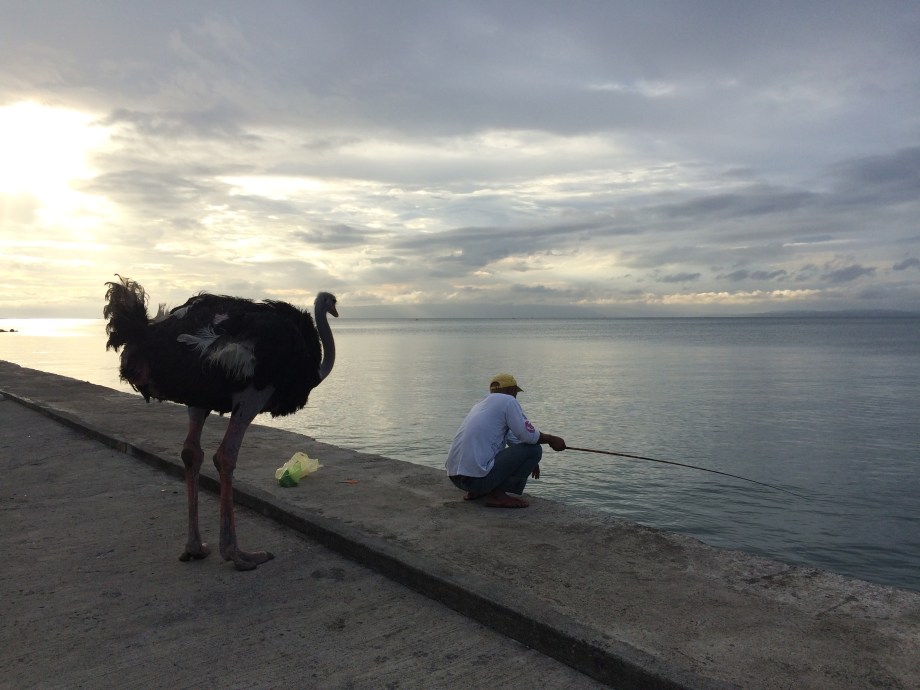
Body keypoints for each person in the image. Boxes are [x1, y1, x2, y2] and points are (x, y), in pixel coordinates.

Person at [445, 373, 566, 508]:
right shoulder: (508, 401)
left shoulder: (481, 404)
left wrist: (529, 461)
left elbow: (514, 438)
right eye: (515, 392)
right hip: (476, 480)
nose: (515, 396)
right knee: (534, 449)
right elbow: (527, 436)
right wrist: (551, 439)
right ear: (510, 390)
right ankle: (497, 495)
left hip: (457, 479)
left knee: (530, 448)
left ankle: (476, 492)